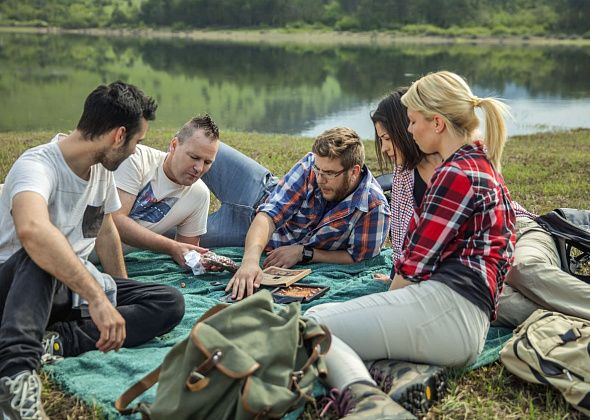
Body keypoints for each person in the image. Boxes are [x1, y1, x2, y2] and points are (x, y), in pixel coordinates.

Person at [305, 71, 516, 419]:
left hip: (449, 310)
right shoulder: (482, 164)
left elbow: (412, 266)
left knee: (313, 323)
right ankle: (404, 374)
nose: (411, 129)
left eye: (414, 120)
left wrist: (384, 304)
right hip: (466, 320)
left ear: (437, 123)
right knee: (359, 331)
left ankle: (368, 405)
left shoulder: (455, 175)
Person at [0, 82, 185, 420]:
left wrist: (115, 293)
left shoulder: (101, 171)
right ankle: (14, 378)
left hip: (68, 291)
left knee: (168, 303)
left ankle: (56, 343)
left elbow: (105, 228)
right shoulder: (37, 166)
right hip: (15, 291)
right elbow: (33, 230)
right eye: (137, 142)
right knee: (45, 251)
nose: (135, 152)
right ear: (118, 136)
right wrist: (97, 300)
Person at [372, 88, 590, 328]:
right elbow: (408, 245)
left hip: (517, 231)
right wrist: (396, 278)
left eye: (386, 138)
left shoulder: (461, 156)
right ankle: (570, 322)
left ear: (410, 127)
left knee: (521, 269)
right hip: (475, 259)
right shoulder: (404, 177)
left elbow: (500, 226)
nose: (383, 148)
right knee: (492, 299)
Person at [227, 127, 390, 300]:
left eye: (329, 173)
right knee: (202, 142)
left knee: (198, 236)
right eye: (318, 170)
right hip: (257, 191)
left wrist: (304, 252)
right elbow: (269, 215)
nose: (320, 179)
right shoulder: (311, 166)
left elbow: (356, 256)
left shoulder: (374, 207)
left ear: (354, 171)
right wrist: (250, 261)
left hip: (242, 232)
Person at [112, 114, 219, 267]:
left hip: (109, 264)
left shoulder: (199, 195)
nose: (199, 168)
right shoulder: (136, 159)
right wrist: (171, 247)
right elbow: (115, 220)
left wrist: (201, 262)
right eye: (194, 157)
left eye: (207, 162)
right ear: (174, 145)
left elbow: (186, 255)